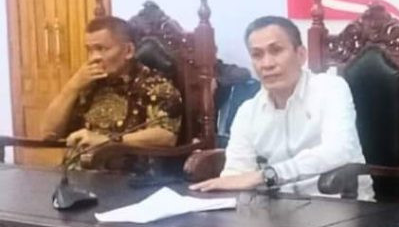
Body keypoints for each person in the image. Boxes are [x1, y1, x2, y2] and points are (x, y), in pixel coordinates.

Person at [190, 16, 364, 193]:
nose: (267, 64)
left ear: (301, 55)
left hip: (338, 203)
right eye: (257, 55)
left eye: (276, 51)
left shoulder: (330, 89)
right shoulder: (248, 111)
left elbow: (339, 151)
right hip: (275, 207)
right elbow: (237, 174)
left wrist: (268, 175)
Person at [40, 16, 182, 155]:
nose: (94, 58)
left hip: (128, 169)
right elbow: (48, 133)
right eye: (89, 50)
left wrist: (107, 141)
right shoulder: (87, 84)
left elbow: (166, 136)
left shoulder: (154, 84)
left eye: (101, 49)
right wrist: (72, 87)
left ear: (128, 51)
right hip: (75, 168)